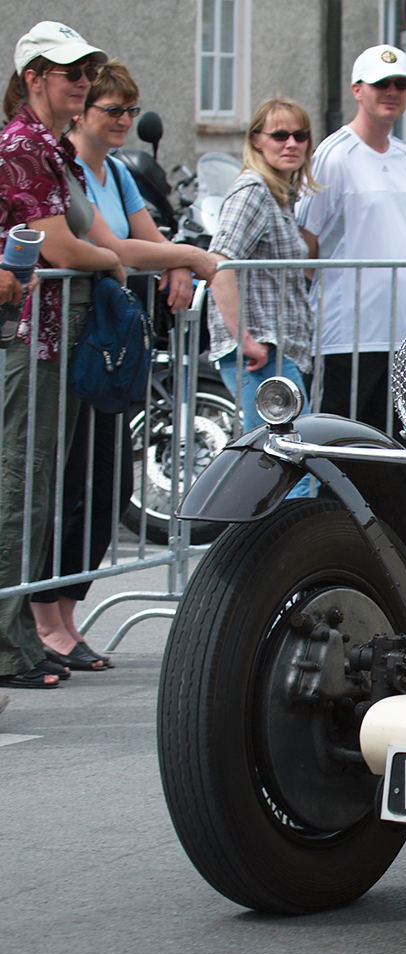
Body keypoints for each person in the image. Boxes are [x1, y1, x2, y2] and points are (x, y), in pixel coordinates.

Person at [30, 60, 221, 671]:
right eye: (112, 110)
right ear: (82, 113)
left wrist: (176, 260)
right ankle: (44, 619)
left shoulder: (117, 171)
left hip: (110, 343)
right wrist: (190, 256)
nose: (122, 121)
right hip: (71, 338)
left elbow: (147, 241)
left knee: (109, 481)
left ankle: (67, 612)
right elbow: (113, 248)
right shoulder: (65, 168)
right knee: (65, 483)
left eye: (130, 111)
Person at [0, 21, 122, 690]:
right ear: (33, 79)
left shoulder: (51, 148)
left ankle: (21, 635)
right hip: (28, 335)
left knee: (41, 490)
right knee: (20, 486)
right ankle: (6, 645)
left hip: (53, 337)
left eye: (87, 73)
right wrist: (108, 262)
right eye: (70, 73)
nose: (83, 82)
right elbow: (61, 247)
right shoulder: (21, 145)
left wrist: (103, 258)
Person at [296, 44, 406, 432]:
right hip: (344, 335)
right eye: (381, 83)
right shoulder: (335, 154)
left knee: (393, 449)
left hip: (399, 334)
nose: (392, 91)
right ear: (357, 90)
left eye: (401, 83)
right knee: (334, 443)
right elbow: (305, 241)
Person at [206, 97, 317, 443]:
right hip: (260, 353)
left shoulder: (278, 195)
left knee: (286, 454)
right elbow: (219, 264)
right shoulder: (252, 190)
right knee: (284, 455)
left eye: (300, 135)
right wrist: (245, 340)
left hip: (276, 350)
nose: (291, 144)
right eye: (280, 135)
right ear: (256, 140)